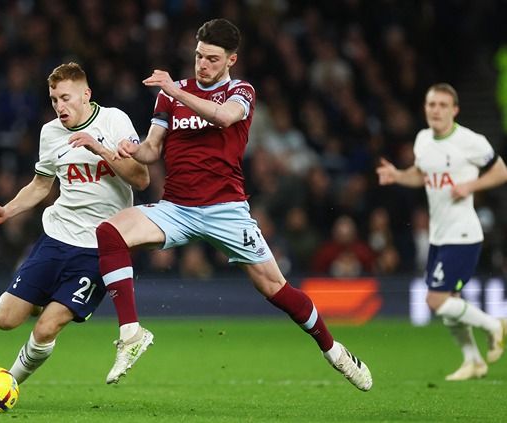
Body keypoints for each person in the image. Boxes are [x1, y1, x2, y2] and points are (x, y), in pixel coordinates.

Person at [96, 18, 373, 391]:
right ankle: (131, 333)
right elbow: (152, 150)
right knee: (109, 233)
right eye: (198, 56)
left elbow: (224, 117)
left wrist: (176, 93)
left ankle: (334, 350)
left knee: (275, 288)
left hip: (226, 210)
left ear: (231, 60)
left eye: (212, 58)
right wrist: (132, 150)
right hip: (176, 208)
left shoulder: (241, 91)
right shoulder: (171, 92)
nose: (202, 65)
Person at [0, 62, 149, 384]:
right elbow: (41, 185)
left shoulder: (115, 121)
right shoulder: (50, 132)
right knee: (4, 318)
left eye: (66, 98)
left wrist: (99, 148)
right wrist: (7, 211)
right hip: (56, 238)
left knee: (46, 328)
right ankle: (42, 299)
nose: (59, 106)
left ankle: (8, 383)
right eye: (54, 99)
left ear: (86, 94)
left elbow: (141, 178)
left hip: (99, 250)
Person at [377, 82, 507, 381]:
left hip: (463, 234)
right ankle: (473, 361)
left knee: (435, 300)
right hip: (438, 234)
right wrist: (398, 175)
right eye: (431, 105)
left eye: (442, 105)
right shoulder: (423, 140)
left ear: (455, 110)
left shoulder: (471, 142)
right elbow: (423, 176)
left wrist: (470, 186)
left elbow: (501, 171)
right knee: (451, 303)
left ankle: (493, 325)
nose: (435, 110)